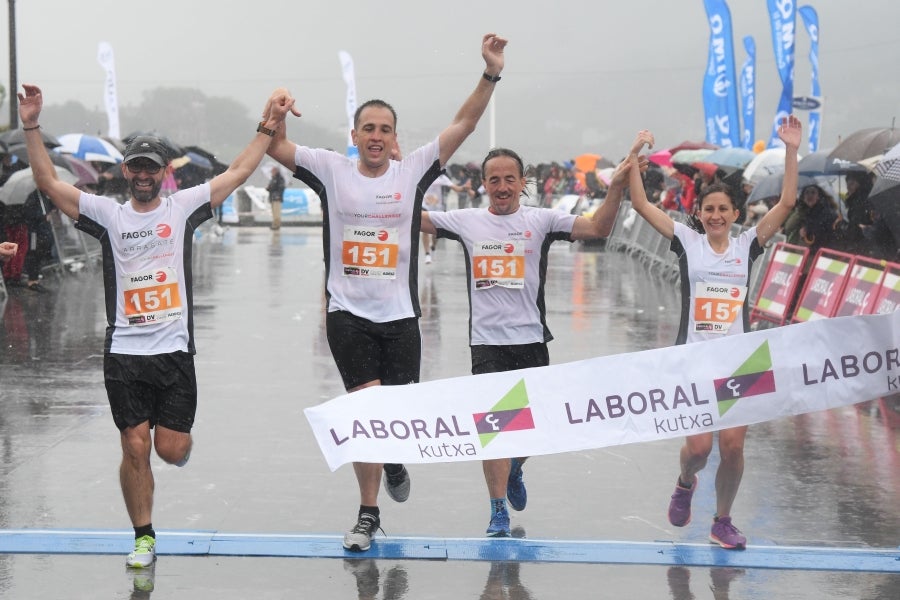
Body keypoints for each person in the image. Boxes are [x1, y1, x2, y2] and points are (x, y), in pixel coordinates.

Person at [17, 82, 294, 568]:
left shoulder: (182, 207)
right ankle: (143, 535)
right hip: (125, 350)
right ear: (126, 172)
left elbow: (241, 170)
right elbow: (47, 182)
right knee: (134, 443)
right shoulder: (106, 214)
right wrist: (32, 124)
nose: (143, 174)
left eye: (151, 167)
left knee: (169, 449)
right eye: (136, 166)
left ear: (163, 174)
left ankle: (156, 452)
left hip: (174, 352)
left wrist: (267, 124)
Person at [265, 33, 508, 552]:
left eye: (385, 129)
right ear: (354, 134)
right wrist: (276, 110)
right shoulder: (330, 169)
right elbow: (275, 145)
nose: (376, 136)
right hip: (346, 313)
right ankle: (368, 513)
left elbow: (463, 125)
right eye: (368, 128)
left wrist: (490, 72)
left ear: (395, 137)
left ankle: (395, 456)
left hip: (400, 317)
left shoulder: (413, 171)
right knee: (366, 411)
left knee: (392, 417)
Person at [420, 144, 638, 537]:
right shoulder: (465, 220)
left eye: (509, 179)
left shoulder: (541, 220)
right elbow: (411, 219)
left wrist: (616, 188)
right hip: (486, 344)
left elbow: (598, 229)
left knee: (530, 430)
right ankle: (497, 509)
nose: (502, 187)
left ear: (523, 183)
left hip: (531, 341)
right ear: (483, 184)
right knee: (494, 432)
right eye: (494, 180)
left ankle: (517, 467)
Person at [626, 115, 802, 550]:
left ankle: (722, 520)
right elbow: (641, 206)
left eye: (724, 209)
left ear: (735, 214)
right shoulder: (687, 241)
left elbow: (786, 203)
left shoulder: (748, 245)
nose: (717, 215)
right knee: (701, 450)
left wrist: (792, 150)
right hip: (695, 362)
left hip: (740, 363)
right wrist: (634, 160)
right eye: (710, 210)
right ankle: (686, 482)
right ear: (699, 215)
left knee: (734, 449)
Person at [421, 170, 463, 263]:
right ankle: (427, 254)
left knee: (436, 233)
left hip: (437, 207)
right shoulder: (422, 175)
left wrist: (465, 187)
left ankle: (433, 247)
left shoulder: (442, 177)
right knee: (424, 230)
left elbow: (456, 188)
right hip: (425, 205)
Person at [21, 189, 56, 293]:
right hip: (35, 232)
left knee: (41, 252)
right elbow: (29, 214)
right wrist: (43, 217)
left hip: (44, 230)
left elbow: (49, 207)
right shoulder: (32, 196)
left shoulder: (43, 196)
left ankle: (35, 277)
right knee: (34, 253)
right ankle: (32, 280)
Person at [266, 166, 286, 230]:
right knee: (274, 212)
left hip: (277, 198)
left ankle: (277, 225)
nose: (271, 172)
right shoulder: (273, 179)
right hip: (272, 197)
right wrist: (268, 188)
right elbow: (272, 188)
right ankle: (274, 224)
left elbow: (281, 188)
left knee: (277, 212)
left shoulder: (280, 178)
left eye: (272, 171)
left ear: (276, 171)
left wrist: (278, 195)